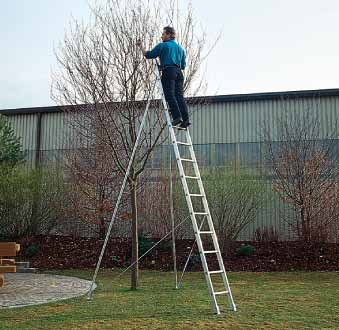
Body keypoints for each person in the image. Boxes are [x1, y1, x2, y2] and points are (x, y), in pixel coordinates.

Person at [137, 26, 191, 128]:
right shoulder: (180, 49)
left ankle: (177, 116)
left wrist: (141, 46)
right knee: (179, 97)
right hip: (179, 73)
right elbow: (183, 66)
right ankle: (186, 119)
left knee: (169, 95)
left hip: (169, 71)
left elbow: (149, 55)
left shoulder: (163, 45)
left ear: (169, 35)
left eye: (163, 34)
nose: (161, 36)